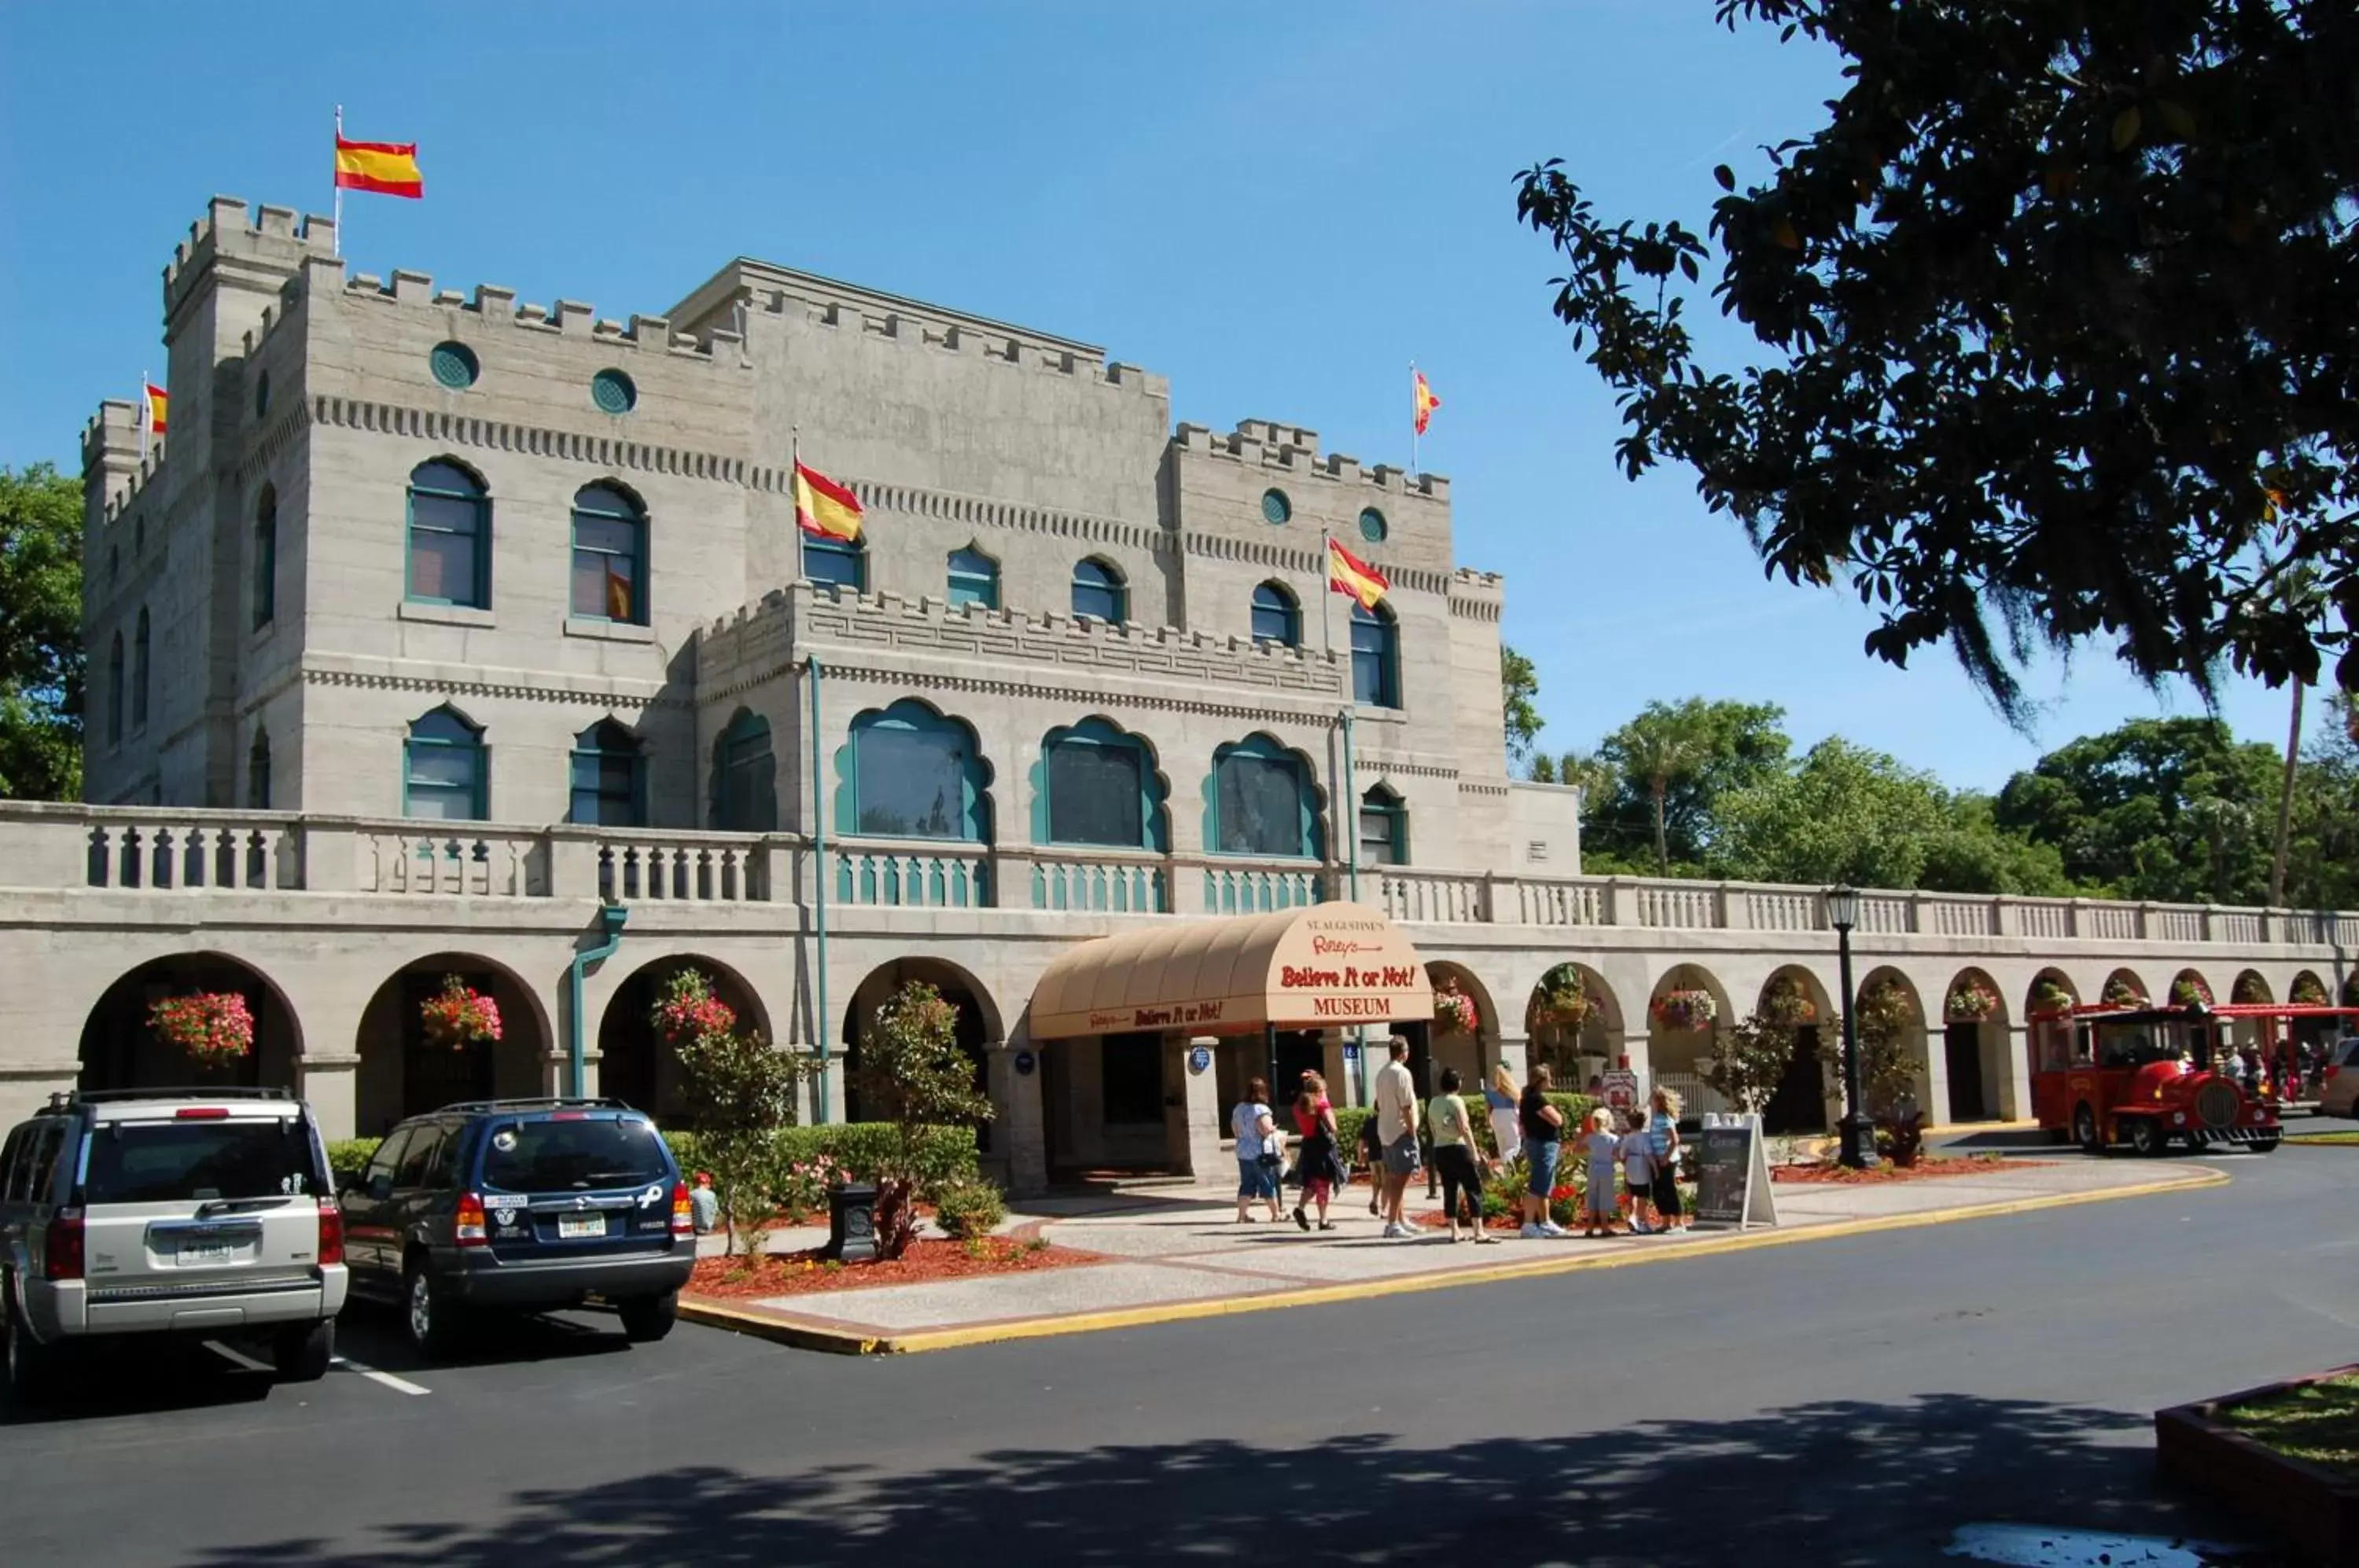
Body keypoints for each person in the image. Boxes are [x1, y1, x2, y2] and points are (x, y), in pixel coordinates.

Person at [1427, 1067, 1496, 1244]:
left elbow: (1433, 1127)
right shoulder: (1456, 1101)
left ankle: (1454, 1231)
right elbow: (1464, 1128)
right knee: (1472, 1187)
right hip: (1458, 1147)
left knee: (1449, 1189)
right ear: (1457, 1084)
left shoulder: (1433, 1102)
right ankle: (1478, 1231)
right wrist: (1474, 1152)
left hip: (1440, 1148)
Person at [1372, 1036, 1422, 1239]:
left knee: (1394, 1176)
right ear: (1403, 1052)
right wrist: (1413, 1132)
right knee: (1400, 1180)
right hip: (1400, 1131)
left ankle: (1400, 1220)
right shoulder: (1401, 1073)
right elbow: (1407, 1106)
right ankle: (1392, 1223)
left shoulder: (1382, 1072)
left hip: (1385, 1130)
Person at [1518, 1063, 1570, 1238]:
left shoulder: (1527, 1099)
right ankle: (1529, 1223)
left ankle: (1546, 1221)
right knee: (1538, 1184)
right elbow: (1557, 1120)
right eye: (1548, 1078)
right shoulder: (1537, 1100)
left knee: (1545, 1184)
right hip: (1543, 1144)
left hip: (1536, 1142)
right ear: (1541, 1081)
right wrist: (1559, 1115)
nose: (1551, 1081)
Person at [1290, 1072, 1345, 1231]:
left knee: (1311, 1182)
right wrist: (1326, 1103)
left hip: (1308, 1145)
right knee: (1322, 1183)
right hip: (1323, 1147)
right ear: (1320, 1091)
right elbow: (1333, 1127)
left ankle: (1300, 1208)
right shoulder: (1321, 1106)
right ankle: (1323, 1219)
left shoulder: (1297, 1107)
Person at [1231, 1078, 1286, 1224]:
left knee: (1247, 1184)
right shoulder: (1261, 1110)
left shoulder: (1239, 1108)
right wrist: (1274, 1129)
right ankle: (1276, 1214)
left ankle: (1242, 1216)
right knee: (1267, 1182)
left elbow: (1235, 1131)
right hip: (1259, 1152)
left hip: (1243, 1151)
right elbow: (1265, 1129)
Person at [1648, 1087, 1688, 1235]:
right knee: (1659, 1191)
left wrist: (1666, 1157)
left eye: (1652, 1099)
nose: (1650, 1102)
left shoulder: (1664, 1120)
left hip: (1667, 1160)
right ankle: (1666, 1222)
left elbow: (1674, 1140)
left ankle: (1679, 1222)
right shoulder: (1656, 1118)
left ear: (1659, 1102)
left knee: (1669, 1190)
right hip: (1658, 1160)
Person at [1578, 1109, 1620, 1238]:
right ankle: (1605, 1227)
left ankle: (1589, 1228)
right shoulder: (1614, 1139)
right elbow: (1616, 1155)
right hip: (1607, 1169)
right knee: (1605, 1198)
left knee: (1592, 1197)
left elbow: (1580, 1149)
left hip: (1593, 1169)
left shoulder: (1590, 1138)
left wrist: (1578, 1137)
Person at [1618, 1109, 1658, 1234]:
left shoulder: (1627, 1137)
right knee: (1642, 1197)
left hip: (1631, 1165)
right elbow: (1648, 1153)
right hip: (1642, 1167)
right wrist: (1655, 1168)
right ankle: (1639, 1220)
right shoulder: (1644, 1137)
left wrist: (1625, 1164)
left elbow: (1621, 1154)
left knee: (1632, 1194)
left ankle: (1635, 1218)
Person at [1485, 1065, 1523, 1165]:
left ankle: (1506, 1169)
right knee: (1514, 1146)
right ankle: (1509, 1166)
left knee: (1502, 1147)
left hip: (1496, 1115)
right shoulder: (1510, 1089)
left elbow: (1487, 1107)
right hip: (1509, 1115)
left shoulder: (1490, 1090)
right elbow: (1519, 1103)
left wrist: (1488, 1120)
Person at [689, 1171, 720, 1235]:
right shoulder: (712, 1195)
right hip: (710, 1229)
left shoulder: (691, 1194)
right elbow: (716, 1210)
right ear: (707, 1183)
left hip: (696, 1229)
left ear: (696, 1183)